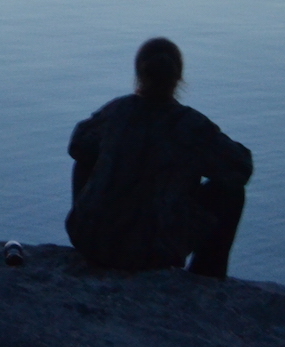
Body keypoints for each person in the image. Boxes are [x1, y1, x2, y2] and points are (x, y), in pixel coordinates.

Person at [65, 38, 252, 277]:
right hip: (152, 254)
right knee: (230, 193)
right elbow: (241, 168)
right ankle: (207, 274)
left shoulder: (117, 111)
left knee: (86, 156)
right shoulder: (190, 126)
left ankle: (93, 226)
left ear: (139, 74)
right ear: (178, 77)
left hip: (92, 245)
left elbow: (77, 145)